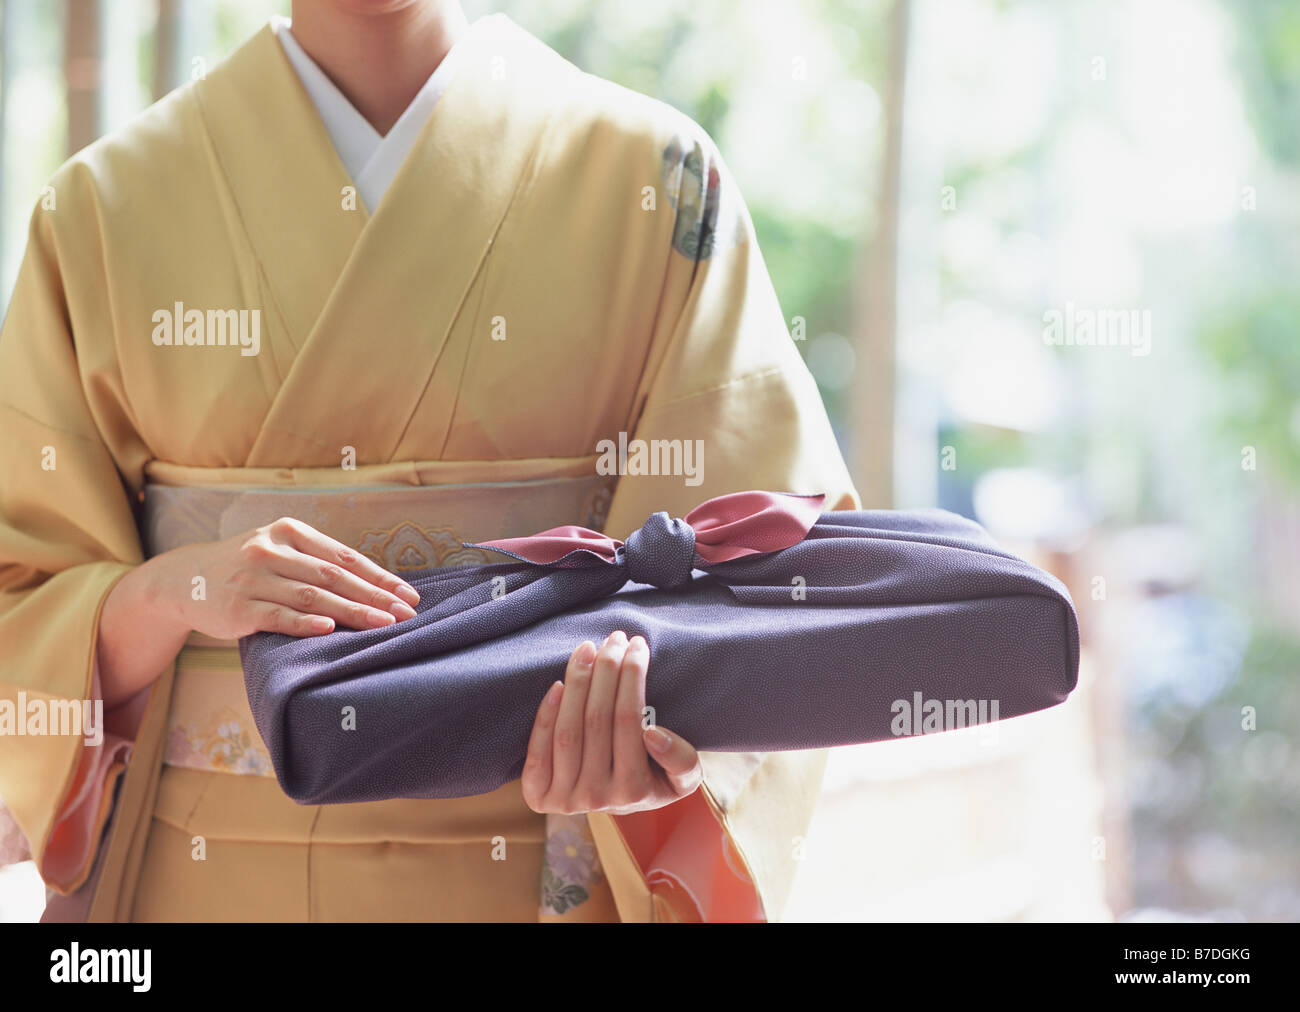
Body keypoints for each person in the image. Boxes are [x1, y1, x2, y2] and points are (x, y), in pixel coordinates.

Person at [0, 0, 857, 922]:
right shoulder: (103, 206)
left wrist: (652, 746)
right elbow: (23, 590)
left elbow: (760, 570)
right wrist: (172, 593)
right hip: (195, 878)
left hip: (541, 865)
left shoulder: (655, 181)